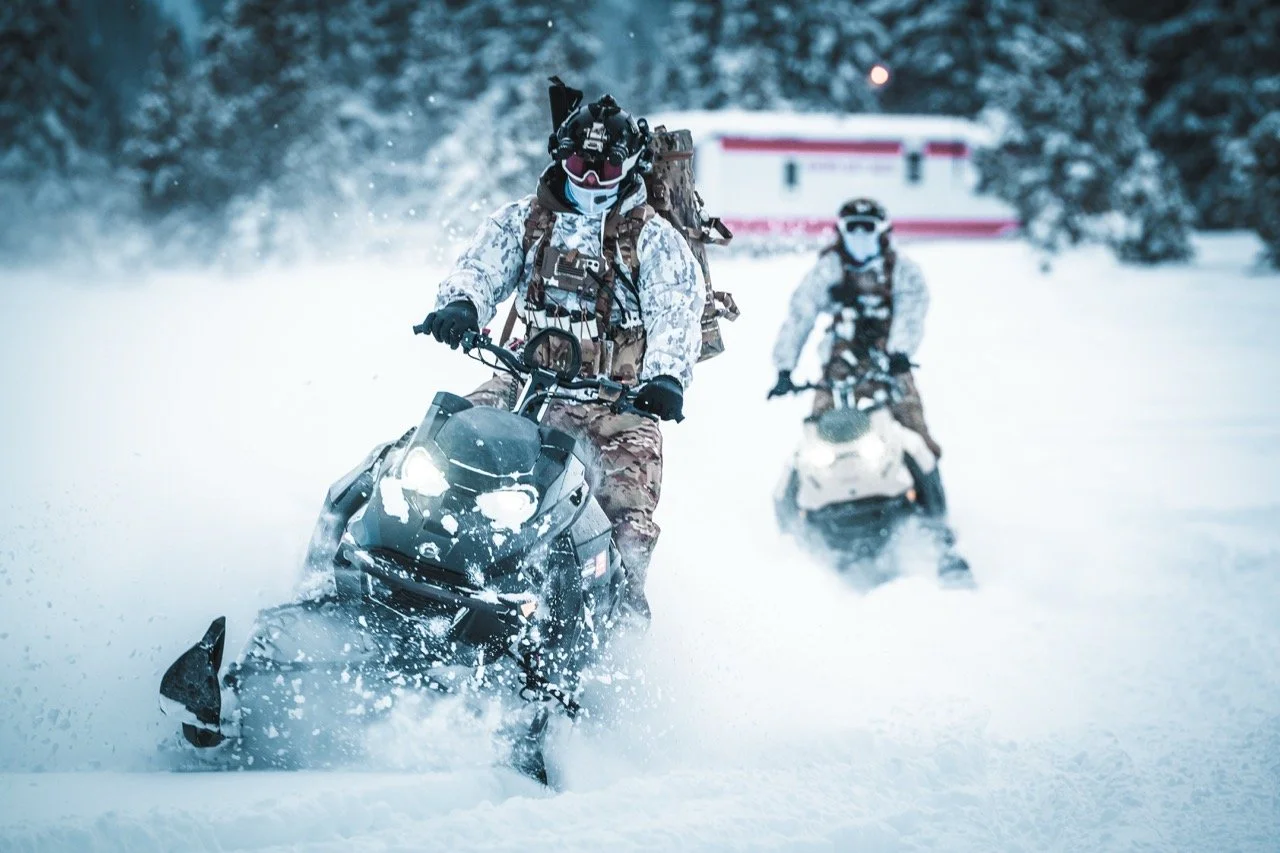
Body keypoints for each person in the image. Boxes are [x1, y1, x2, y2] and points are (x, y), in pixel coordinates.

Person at [421, 92, 705, 620]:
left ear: (629, 167)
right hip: (521, 382)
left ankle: (616, 621)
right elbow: (481, 269)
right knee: (438, 445)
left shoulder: (656, 240)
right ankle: (389, 553)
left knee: (625, 509)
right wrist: (460, 304)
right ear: (559, 157)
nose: (591, 180)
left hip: (615, 404)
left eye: (606, 167)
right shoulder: (524, 221)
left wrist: (665, 378)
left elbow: (676, 311)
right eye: (578, 163)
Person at [768, 198, 942, 458]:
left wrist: (900, 352)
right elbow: (800, 313)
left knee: (914, 430)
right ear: (842, 231)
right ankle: (806, 490)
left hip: (890, 362)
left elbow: (912, 311)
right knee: (818, 430)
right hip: (842, 358)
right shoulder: (829, 269)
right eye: (853, 228)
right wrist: (785, 367)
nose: (860, 235)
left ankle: (928, 490)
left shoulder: (903, 271)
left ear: (882, 231)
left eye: (867, 228)